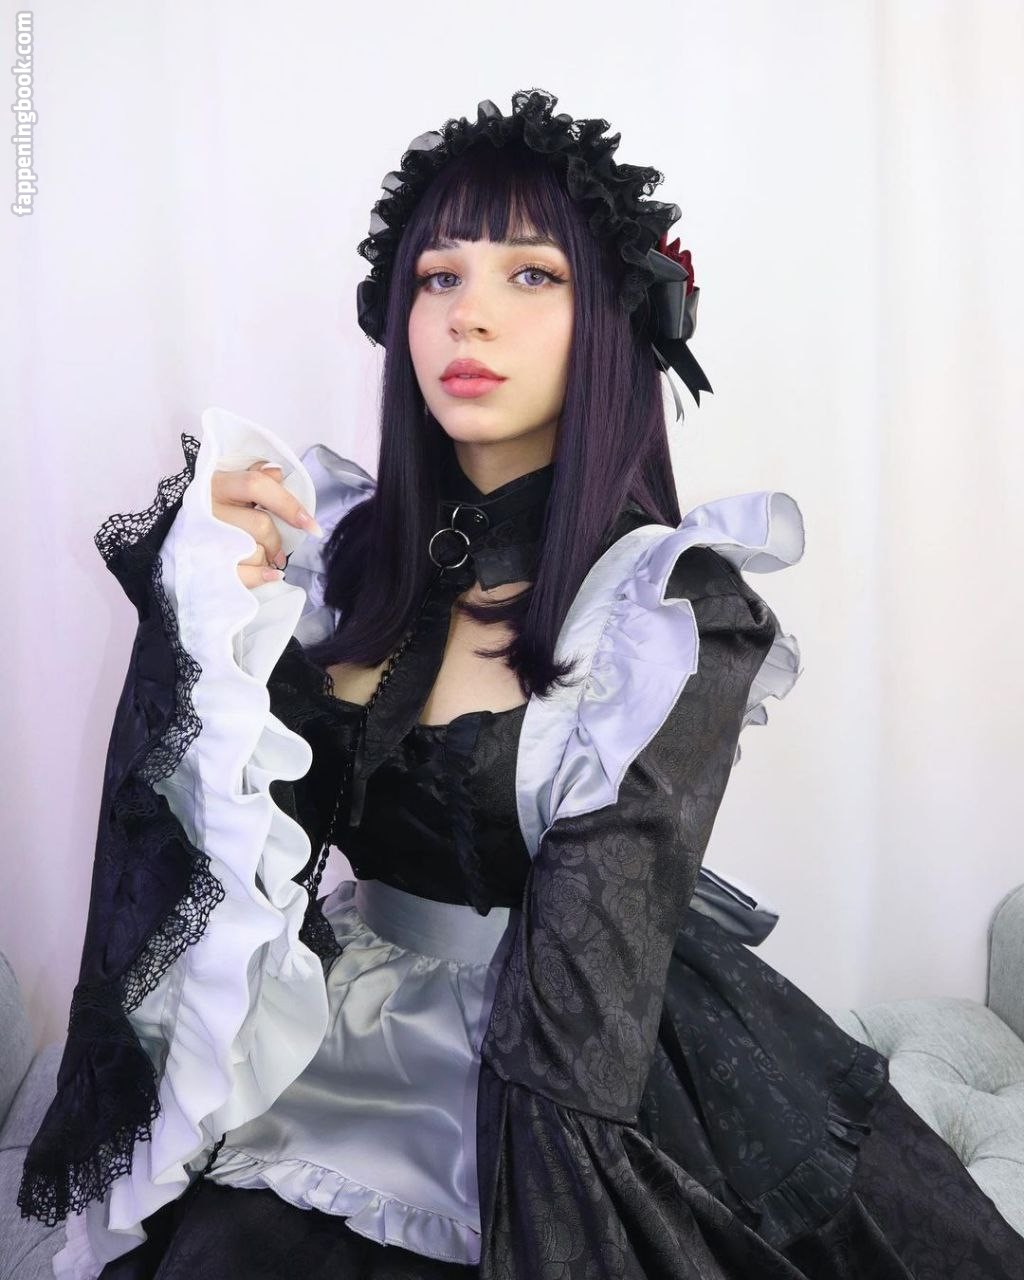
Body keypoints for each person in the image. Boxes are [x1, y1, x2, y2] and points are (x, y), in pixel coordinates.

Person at [19, 88, 1024, 1280]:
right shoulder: (335, 558)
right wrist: (207, 619)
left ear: (610, 319)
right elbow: (200, 882)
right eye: (437, 276)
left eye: (531, 274)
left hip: (592, 1039)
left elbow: (575, 1032)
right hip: (346, 1026)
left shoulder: (661, 612)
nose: (468, 313)